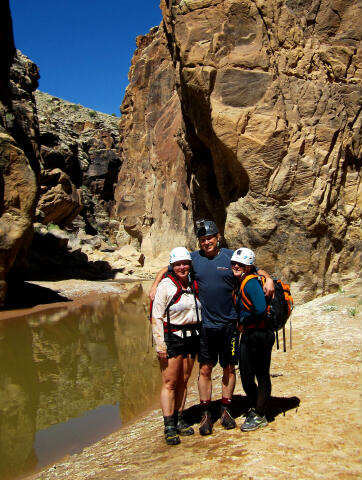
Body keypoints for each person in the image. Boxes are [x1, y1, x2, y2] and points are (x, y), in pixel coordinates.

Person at [150, 220, 274, 436]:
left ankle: (225, 410)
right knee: (205, 369)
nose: (207, 242)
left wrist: (268, 278)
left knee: (229, 368)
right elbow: (169, 267)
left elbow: (254, 267)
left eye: (210, 237)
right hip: (205, 327)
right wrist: (155, 284)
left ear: (218, 237)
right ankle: (207, 412)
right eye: (203, 239)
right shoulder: (193, 259)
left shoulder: (230, 257)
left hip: (230, 325)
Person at [151, 247, 202, 445]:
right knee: (170, 382)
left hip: (192, 336)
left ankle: (180, 418)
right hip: (172, 337)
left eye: (185, 263)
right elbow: (156, 316)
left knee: (184, 379)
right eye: (178, 264)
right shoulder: (166, 285)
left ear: (189, 265)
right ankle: (169, 425)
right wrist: (160, 345)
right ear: (172, 266)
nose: (182, 267)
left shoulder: (194, 283)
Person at [231, 247, 275, 431]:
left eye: (240, 264)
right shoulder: (242, 280)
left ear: (248, 267)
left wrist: (242, 320)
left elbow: (259, 309)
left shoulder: (249, 283)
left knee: (261, 374)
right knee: (247, 373)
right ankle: (258, 406)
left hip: (260, 334)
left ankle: (259, 414)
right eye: (234, 263)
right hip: (250, 334)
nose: (236, 266)